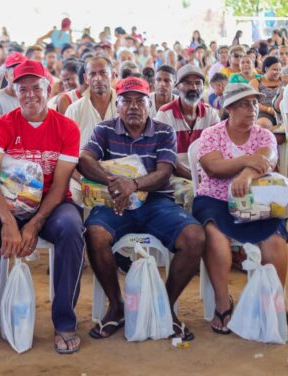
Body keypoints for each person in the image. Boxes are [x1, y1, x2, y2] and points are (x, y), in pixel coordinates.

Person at [0, 59, 84, 354]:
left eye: (36, 88)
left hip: (51, 205)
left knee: (71, 227)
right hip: (7, 203)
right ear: (14, 91)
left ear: (47, 89)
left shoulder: (67, 127)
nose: (29, 95)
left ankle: (65, 322)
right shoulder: (3, 125)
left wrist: (35, 223)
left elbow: (61, 184)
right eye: (22, 89)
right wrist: (9, 221)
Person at [79, 77, 205, 341]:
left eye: (140, 101)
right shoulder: (104, 129)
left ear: (150, 104)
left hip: (157, 202)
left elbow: (164, 172)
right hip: (116, 202)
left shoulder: (163, 131)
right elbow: (85, 159)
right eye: (126, 101)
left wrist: (134, 184)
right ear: (118, 105)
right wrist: (114, 182)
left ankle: (164, 306)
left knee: (194, 237)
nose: (133, 106)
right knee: (95, 233)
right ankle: (116, 306)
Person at [192, 83, 288, 335]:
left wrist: (246, 175)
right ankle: (222, 302)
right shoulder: (212, 134)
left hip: (257, 201)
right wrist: (247, 161)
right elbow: (213, 168)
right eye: (242, 104)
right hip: (215, 200)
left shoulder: (263, 134)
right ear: (228, 108)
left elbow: (268, 158)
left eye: (252, 103)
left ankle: (274, 302)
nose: (251, 109)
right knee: (216, 238)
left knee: (274, 240)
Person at [155, 64, 220, 211]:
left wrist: (208, 176)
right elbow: (168, 159)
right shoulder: (165, 114)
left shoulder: (210, 113)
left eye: (198, 83)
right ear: (177, 87)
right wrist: (196, 178)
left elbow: (218, 151)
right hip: (176, 177)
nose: (193, 87)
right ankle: (196, 232)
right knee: (193, 193)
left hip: (206, 174)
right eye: (187, 83)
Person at [65, 56, 117, 149]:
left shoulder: (124, 107)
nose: (98, 78)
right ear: (85, 78)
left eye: (103, 72)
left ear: (113, 76)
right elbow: (67, 148)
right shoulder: (74, 110)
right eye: (92, 74)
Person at [249, 56, 283, 130]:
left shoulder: (284, 81)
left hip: (283, 112)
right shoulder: (256, 82)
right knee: (263, 124)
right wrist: (270, 110)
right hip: (264, 113)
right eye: (274, 69)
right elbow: (254, 102)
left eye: (279, 70)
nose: (278, 72)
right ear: (266, 69)